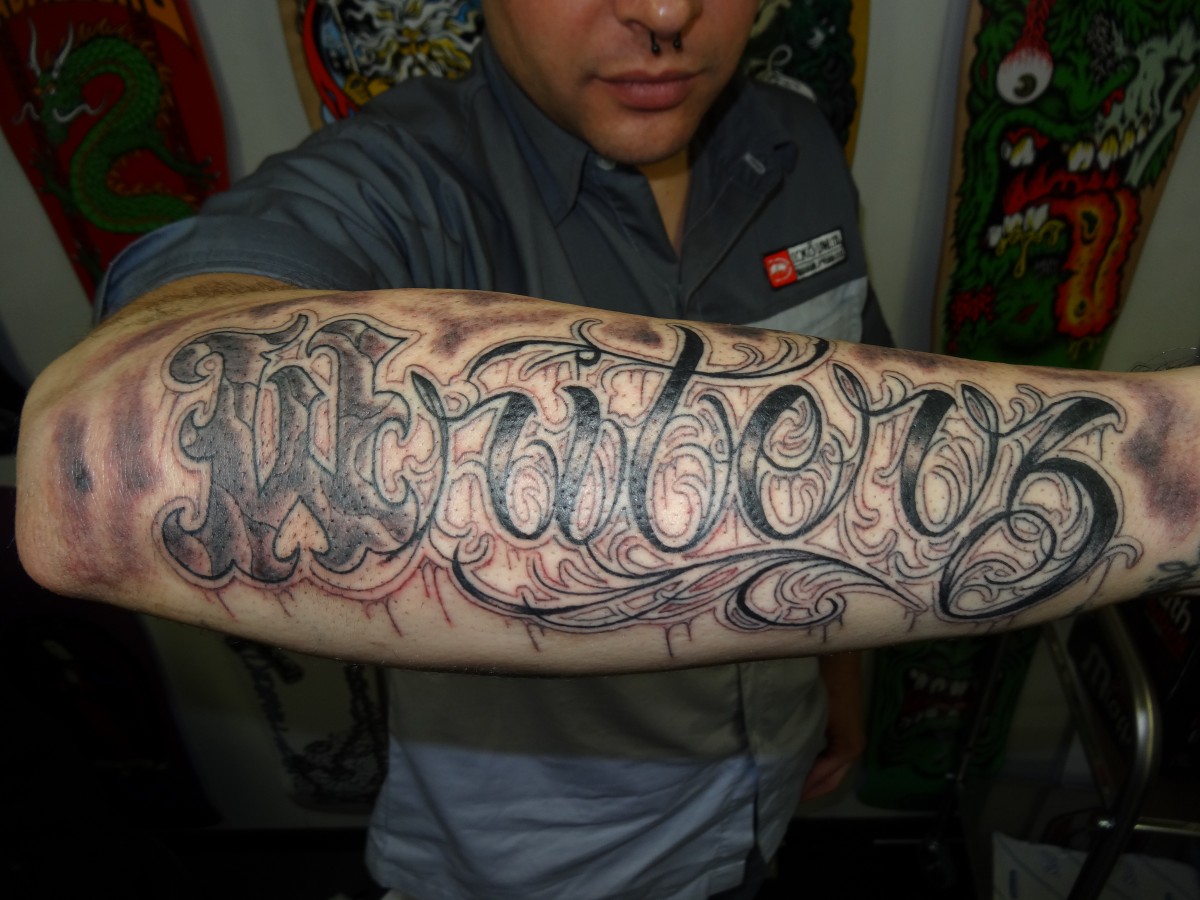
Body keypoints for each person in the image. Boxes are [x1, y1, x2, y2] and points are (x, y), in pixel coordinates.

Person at [13, 2, 1200, 899]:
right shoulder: (405, 180)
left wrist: (839, 677)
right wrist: (1174, 471)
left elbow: (858, 409)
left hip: (766, 787)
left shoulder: (794, 142)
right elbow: (114, 448)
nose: (668, 14)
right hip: (535, 854)